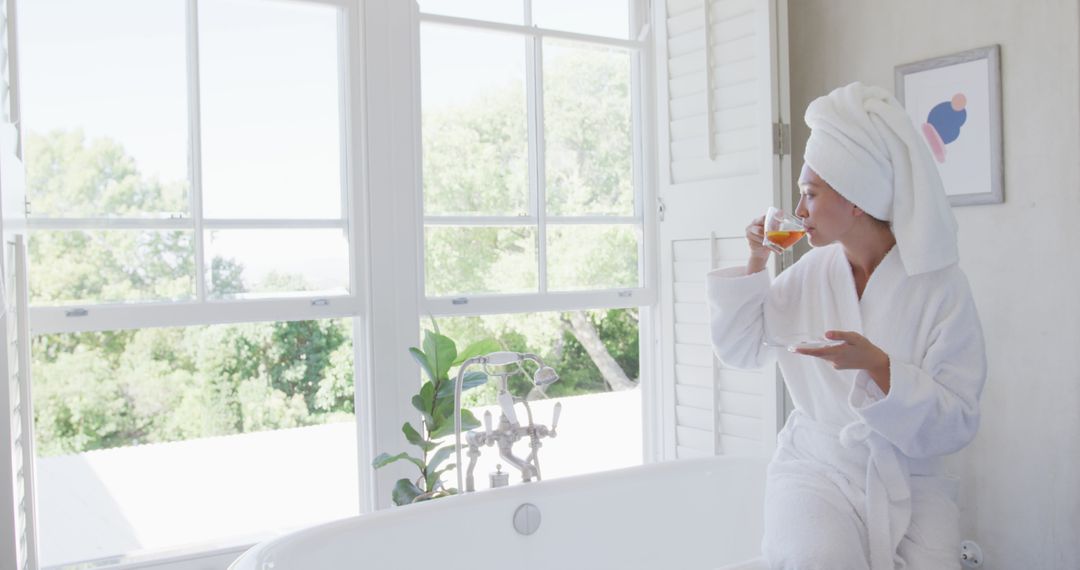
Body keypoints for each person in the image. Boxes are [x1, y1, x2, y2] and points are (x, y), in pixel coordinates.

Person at [708, 82, 987, 569]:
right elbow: (740, 350)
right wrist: (756, 262)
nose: (798, 212)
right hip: (818, 467)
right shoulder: (811, 275)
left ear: (856, 198)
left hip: (908, 476)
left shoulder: (940, 287)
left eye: (810, 195)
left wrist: (880, 368)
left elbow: (958, 421)